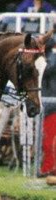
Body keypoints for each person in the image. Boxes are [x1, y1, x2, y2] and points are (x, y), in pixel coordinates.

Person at [41, 35, 56, 176]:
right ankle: (48, 168)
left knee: (49, 141)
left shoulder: (51, 59)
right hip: (49, 106)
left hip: (52, 106)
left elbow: (49, 69)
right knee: (48, 141)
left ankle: (49, 169)